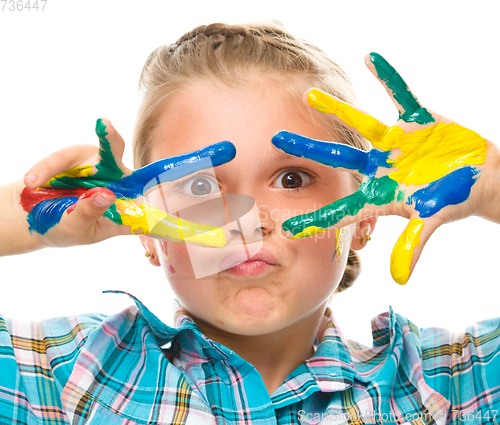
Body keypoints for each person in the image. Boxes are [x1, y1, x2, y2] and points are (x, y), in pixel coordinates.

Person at [1, 21, 499, 425]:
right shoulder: (62, 376)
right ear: (146, 233)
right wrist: (29, 215)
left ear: (365, 219)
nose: (251, 220)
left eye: (291, 178)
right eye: (200, 187)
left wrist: (492, 188)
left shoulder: (446, 385)